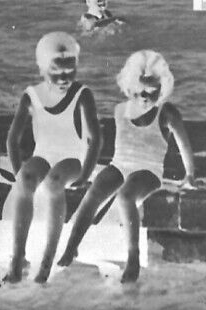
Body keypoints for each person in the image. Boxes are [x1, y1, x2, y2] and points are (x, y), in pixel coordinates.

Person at [57, 50, 196, 284]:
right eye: (140, 91)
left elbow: (184, 145)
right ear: (130, 88)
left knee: (125, 195)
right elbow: (115, 148)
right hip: (120, 164)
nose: (145, 97)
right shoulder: (120, 110)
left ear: (162, 89)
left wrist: (190, 174)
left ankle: (133, 257)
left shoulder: (167, 112)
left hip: (148, 170)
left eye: (152, 92)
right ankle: (72, 247)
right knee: (96, 190)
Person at [2, 32, 100, 284]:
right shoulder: (32, 95)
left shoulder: (82, 94)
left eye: (70, 71)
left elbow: (94, 140)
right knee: (26, 179)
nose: (64, 78)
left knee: (55, 181)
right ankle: (17, 257)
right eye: (56, 72)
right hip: (43, 154)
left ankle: (48, 258)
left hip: (72, 158)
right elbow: (12, 139)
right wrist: (17, 174)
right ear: (43, 69)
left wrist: (86, 174)